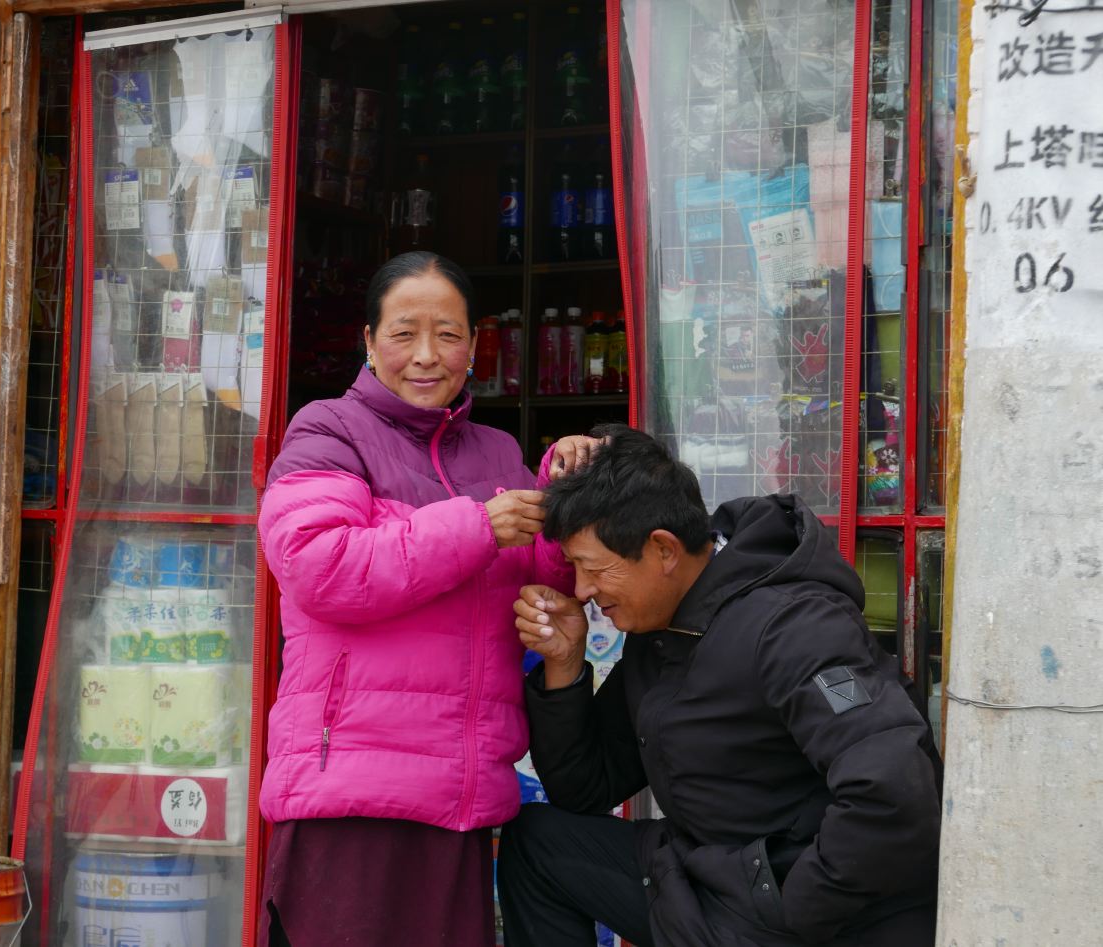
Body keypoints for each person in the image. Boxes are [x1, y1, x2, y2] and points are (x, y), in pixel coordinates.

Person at [257, 251, 598, 946]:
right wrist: (476, 525)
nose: (425, 355)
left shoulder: (499, 452)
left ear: (474, 347)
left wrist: (567, 485)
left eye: (447, 334)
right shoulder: (327, 429)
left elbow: (550, 583)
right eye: (403, 332)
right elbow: (320, 566)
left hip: (458, 798)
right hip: (350, 793)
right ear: (369, 342)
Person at [498, 424, 943, 947]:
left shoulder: (794, 627)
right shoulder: (663, 627)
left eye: (593, 569)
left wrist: (786, 909)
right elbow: (584, 789)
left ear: (663, 549)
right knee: (539, 845)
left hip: (799, 911)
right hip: (703, 876)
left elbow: (895, 795)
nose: (582, 590)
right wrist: (566, 666)